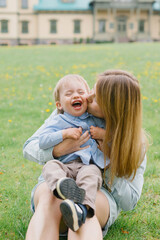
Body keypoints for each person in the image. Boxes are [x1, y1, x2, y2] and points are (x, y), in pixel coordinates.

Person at [23, 70, 148, 240]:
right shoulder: (69, 112)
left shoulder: (133, 141)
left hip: (98, 191)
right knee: (49, 197)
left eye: (95, 98)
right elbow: (29, 147)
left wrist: (111, 165)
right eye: (92, 90)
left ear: (111, 110)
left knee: (85, 204)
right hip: (57, 183)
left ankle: (80, 212)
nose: (87, 97)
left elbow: (130, 201)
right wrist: (58, 150)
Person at [39, 74, 108, 231]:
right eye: (69, 94)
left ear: (88, 98)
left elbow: (113, 137)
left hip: (87, 165)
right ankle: (61, 186)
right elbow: (42, 141)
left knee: (93, 175)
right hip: (66, 166)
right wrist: (63, 134)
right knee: (50, 166)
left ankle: (82, 209)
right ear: (59, 105)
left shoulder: (95, 119)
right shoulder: (58, 121)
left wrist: (102, 134)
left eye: (81, 92)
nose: (76, 95)